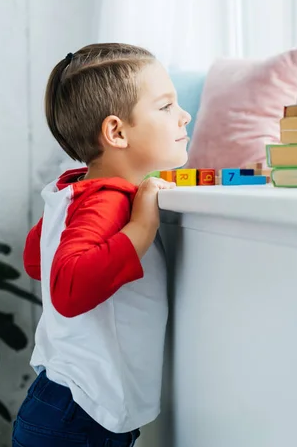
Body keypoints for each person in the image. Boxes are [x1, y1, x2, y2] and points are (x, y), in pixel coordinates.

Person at [13, 43, 191, 447]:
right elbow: (68, 289)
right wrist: (143, 224)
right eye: (165, 107)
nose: (184, 116)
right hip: (79, 415)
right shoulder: (108, 200)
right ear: (116, 132)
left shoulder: (78, 190)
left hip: (63, 403)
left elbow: (36, 259)